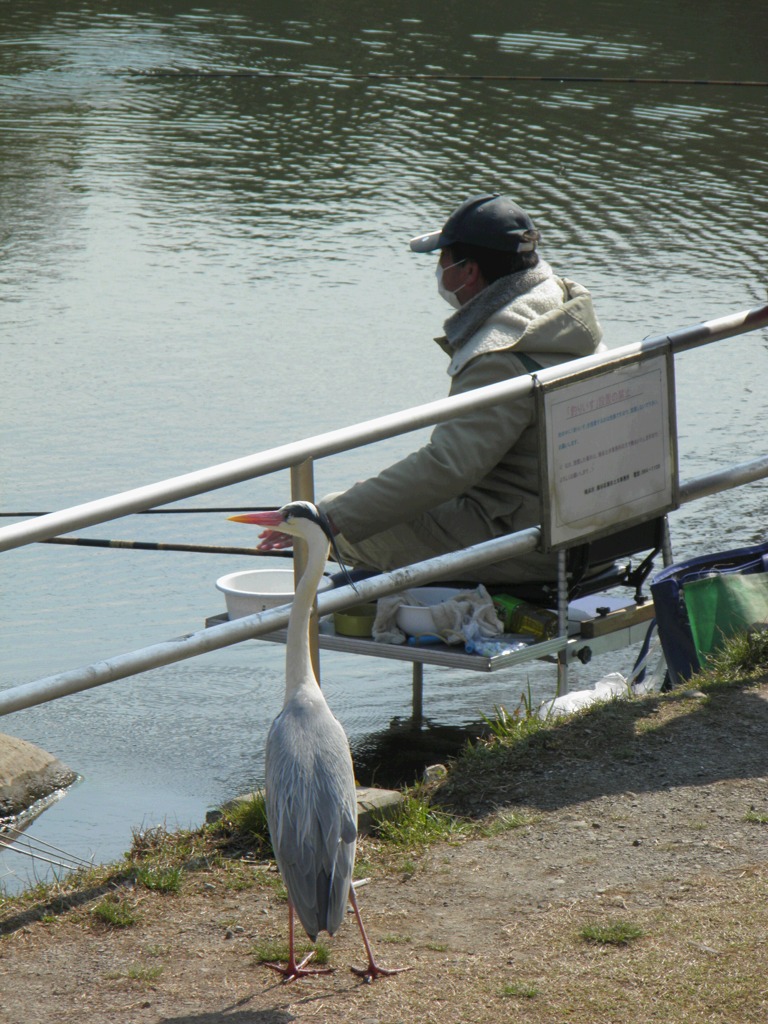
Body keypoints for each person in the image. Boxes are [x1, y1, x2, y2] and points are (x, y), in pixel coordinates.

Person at [259, 193, 604, 585]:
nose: (439, 271)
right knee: (351, 511)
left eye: (443, 260)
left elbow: (447, 466)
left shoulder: (499, 356)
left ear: (468, 271)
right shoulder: (562, 312)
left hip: (535, 546)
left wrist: (332, 517)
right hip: (592, 525)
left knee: (325, 529)